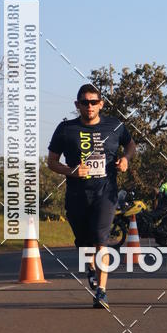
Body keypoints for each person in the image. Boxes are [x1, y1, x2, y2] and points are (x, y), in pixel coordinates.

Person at [48, 84, 135, 309]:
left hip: (106, 193)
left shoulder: (115, 125)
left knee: (100, 240)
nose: (89, 106)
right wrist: (71, 171)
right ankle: (90, 268)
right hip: (77, 195)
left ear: (101, 104)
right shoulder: (65, 129)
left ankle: (101, 292)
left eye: (93, 102)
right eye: (85, 102)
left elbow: (130, 144)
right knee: (84, 242)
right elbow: (52, 162)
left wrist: (125, 159)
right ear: (77, 105)